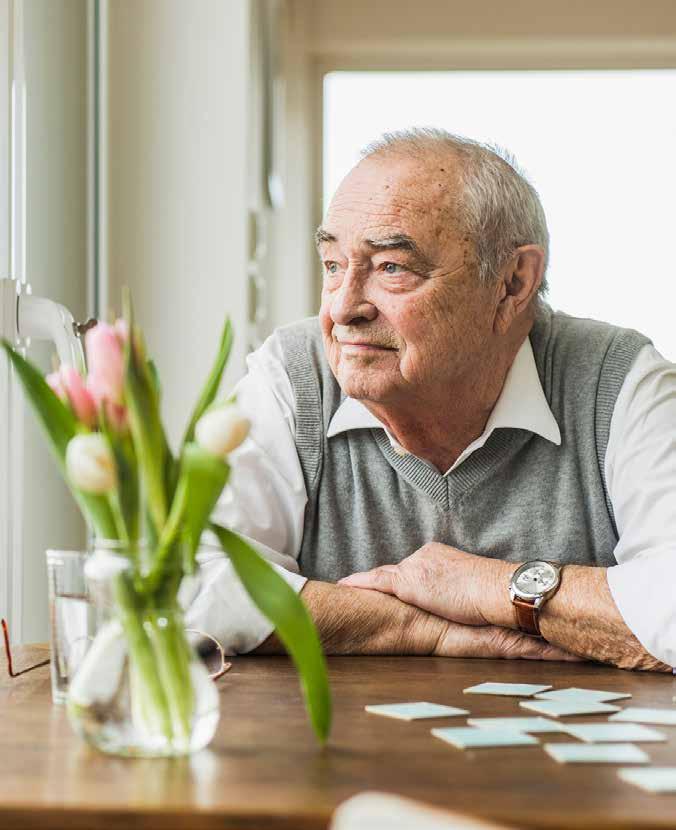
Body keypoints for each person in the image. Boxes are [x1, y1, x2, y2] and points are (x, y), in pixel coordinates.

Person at [187, 128, 674, 673]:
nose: (343, 309)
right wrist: (424, 626)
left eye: (391, 267)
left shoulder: (621, 380)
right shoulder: (292, 374)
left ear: (513, 283)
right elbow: (196, 579)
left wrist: (485, 585)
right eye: (332, 265)